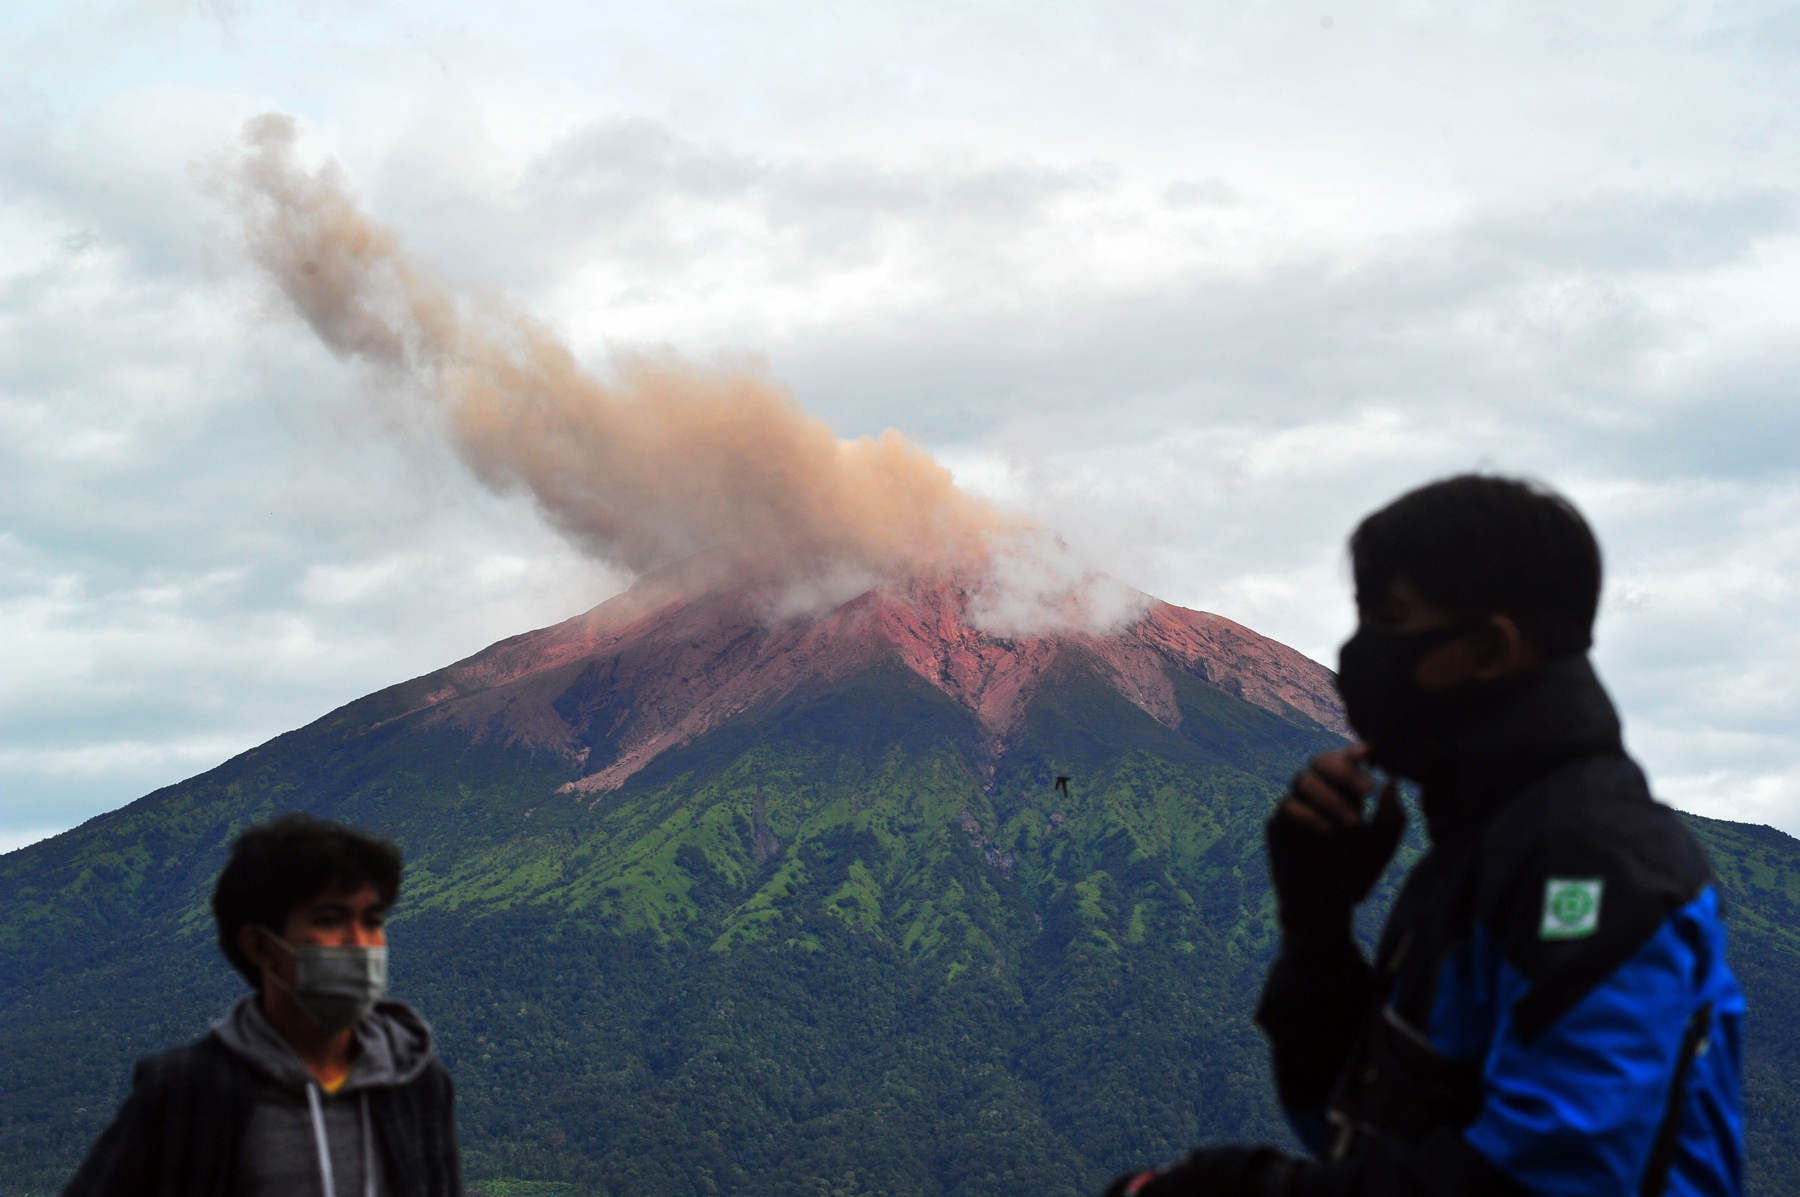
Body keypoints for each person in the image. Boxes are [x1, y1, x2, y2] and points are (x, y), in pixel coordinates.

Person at [1106, 474, 1744, 1196]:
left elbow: (1556, 1177)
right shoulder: (1479, 856)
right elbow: (1355, 1127)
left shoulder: (1597, 866)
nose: (1358, 655)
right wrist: (1316, 928)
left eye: (1388, 623)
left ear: (1491, 648)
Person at [66, 813, 463, 1196]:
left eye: (372, 922)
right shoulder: (188, 1091)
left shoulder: (415, 1082)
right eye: (329, 920)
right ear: (260, 946)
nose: (360, 943)